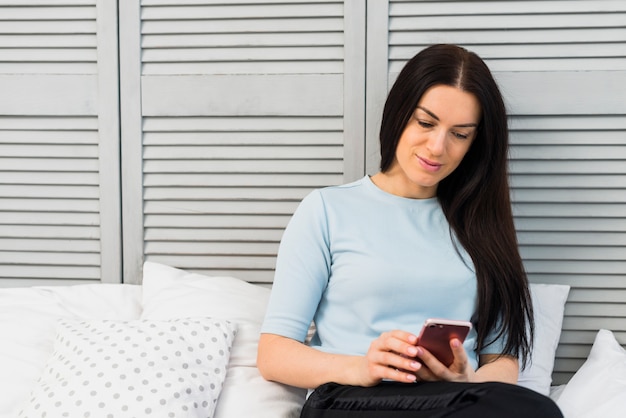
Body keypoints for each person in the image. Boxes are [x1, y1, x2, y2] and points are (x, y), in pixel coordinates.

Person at [257, 44, 563, 417]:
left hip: (450, 402)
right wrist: (362, 367)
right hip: (350, 398)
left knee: (536, 409)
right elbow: (274, 353)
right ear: (400, 113)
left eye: (460, 134)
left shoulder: (480, 226)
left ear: (475, 144)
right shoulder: (327, 210)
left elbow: (502, 359)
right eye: (425, 122)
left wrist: (467, 381)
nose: (437, 147)